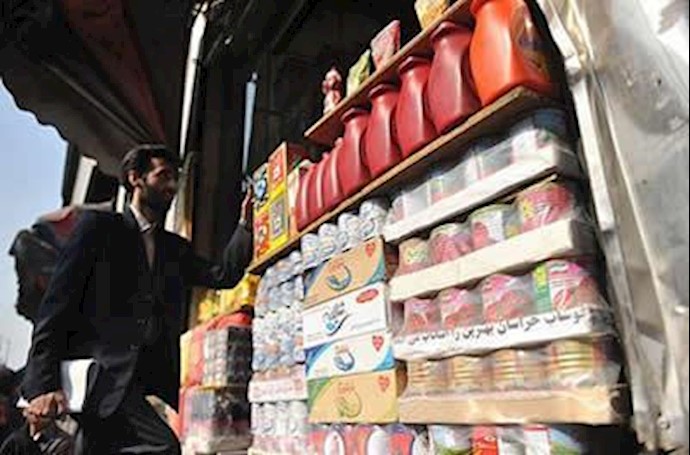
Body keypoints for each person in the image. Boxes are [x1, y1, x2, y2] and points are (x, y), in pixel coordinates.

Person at [19, 144, 253, 454]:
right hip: (102, 378)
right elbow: (56, 306)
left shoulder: (174, 248)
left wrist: (246, 226)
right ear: (135, 178)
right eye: (163, 176)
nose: (172, 186)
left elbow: (222, 275)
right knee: (164, 447)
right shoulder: (99, 229)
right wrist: (42, 385)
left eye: (175, 178)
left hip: (143, 380)